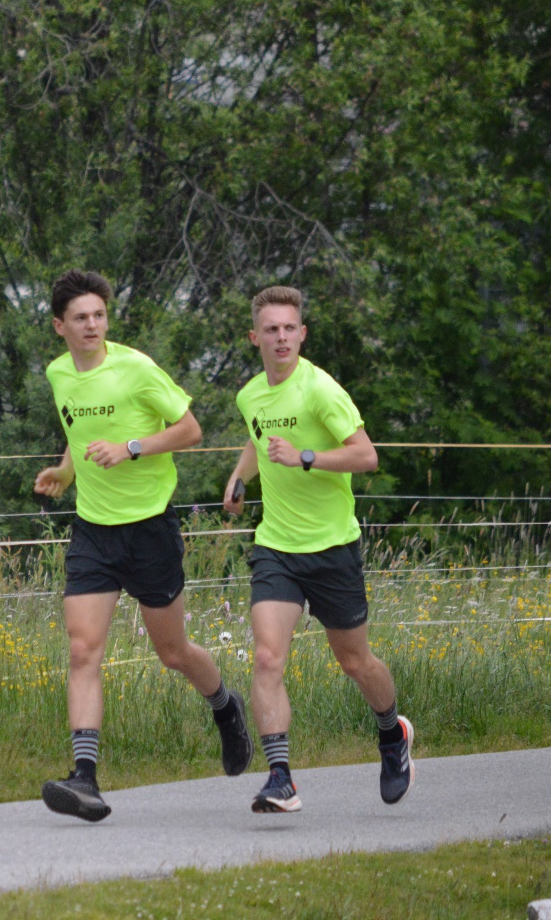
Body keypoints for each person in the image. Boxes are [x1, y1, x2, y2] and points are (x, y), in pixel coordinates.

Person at [34, 269, 253, 822]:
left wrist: (131, 447)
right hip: (93, 530)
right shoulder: (59, 373)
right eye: (80, 318)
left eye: (99, 316)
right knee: (84, 649)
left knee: (172, 652)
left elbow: (190, 430)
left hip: (150, 527)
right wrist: (65, 470)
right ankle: (84, 777)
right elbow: (79, 431)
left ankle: (226, 707)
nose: (91, 325)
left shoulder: (135, 368)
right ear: (59, 325)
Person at [222, 285, 413, 814]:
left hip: (332, 548)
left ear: (301, 334)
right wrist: (239, 477)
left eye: (290, 328)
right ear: (254, 337)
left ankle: (392, 733)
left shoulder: (322, 391)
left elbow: (366, 456)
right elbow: (259, 439)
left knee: (354, 661)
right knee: (266, 657)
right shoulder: (250, 395)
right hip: (276, 547)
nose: (281, 337)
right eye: (271, 329)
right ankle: (280, 779)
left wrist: (305, 457)